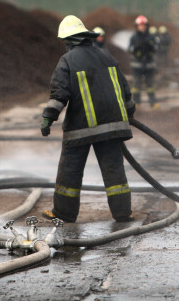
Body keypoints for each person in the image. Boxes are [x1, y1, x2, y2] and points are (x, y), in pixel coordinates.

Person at [40, 15, 136, 223]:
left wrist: (48, 118)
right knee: (114, 172)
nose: (65, 45)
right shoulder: (106, 55)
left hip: (81, 128)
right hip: (113, 125)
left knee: (70, 171)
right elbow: (124, 88)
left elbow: (59, 95)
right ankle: (122, 214)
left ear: (71, 40)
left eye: (66, 41)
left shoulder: (67, 61)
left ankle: (64, 213)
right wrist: (129, 112)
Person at [128, 15, 158, 107]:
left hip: (149, 65)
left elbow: (157, 48)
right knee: (136, 85)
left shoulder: (151, 37)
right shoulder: (133, 38)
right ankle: (136, 103)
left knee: (150, 85)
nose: (142, 27)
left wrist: (150, 45)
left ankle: (153, 103)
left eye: (144, 25)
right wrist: (137, 47)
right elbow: (130, 49)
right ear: (137, 26)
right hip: (137, 66)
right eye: (140, 25)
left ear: (147, 26)